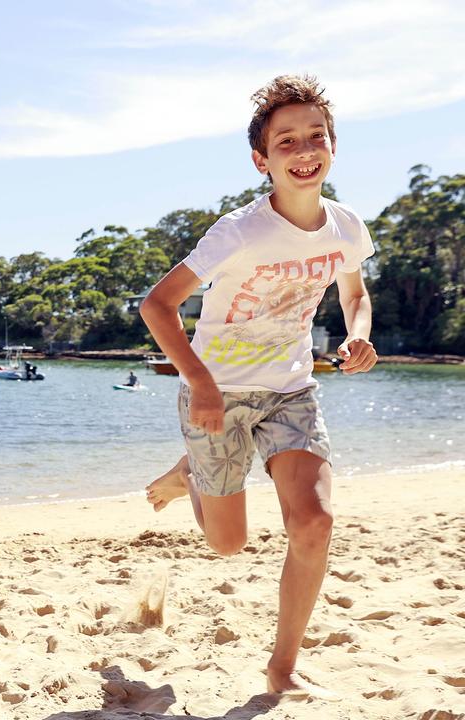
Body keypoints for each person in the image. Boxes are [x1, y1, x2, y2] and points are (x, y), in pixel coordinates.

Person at [139, 75, 378, 699]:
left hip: (290, 391)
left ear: (332, 146)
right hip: (215, 394)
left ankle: (282, 668)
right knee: (227, 544)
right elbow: (157, 306)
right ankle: (191, 471)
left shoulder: (346, 227)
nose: (304, 150)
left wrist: (357, 334)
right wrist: (201, 384)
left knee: (315, 524)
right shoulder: (238, 231)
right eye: (286, 141)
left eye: (316, 137)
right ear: (262, 159)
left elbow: (354, 294)